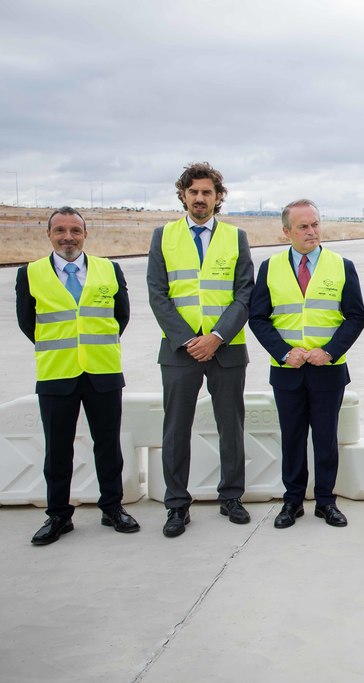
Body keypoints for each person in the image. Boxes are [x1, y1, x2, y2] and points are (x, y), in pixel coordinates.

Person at [16, 207, 139, 545]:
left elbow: (121, 316)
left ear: (85, 235)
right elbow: (28, 322)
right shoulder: (31, 273)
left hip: (103, 371)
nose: (67, 237)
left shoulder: (108, 269)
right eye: (60, 231)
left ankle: (112, 507)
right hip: (57, 374)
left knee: (108, 445)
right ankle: (58, 515)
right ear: (49, 235)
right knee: (57, 449)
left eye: (74, 231)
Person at [147, 162, 254, 538]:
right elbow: (157, 294)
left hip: (225, 349)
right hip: (180, 351)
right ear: (183, 196)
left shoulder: (235, 237)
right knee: (176, 429)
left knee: (231, 426)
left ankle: (231, 497)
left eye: (207, 192)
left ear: (218, 197)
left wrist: (217, 337)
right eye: (193, 192)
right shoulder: (163, 236)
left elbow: (245, 293)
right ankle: (176, 505)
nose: (200, 198)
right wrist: (188, 339)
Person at [249, 199, 364, 529]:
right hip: (287, 372)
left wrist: (329, 350)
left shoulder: (341, 265)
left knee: (326, 439)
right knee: (292, 438)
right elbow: (258, 317)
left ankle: (326, 501)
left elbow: (356, 316)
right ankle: (293, 501)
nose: (312, 231)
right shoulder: (269, 267)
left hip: (328, 370)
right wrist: (284, 352)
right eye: (303, 226)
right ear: (287, 231)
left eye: (315, 224)